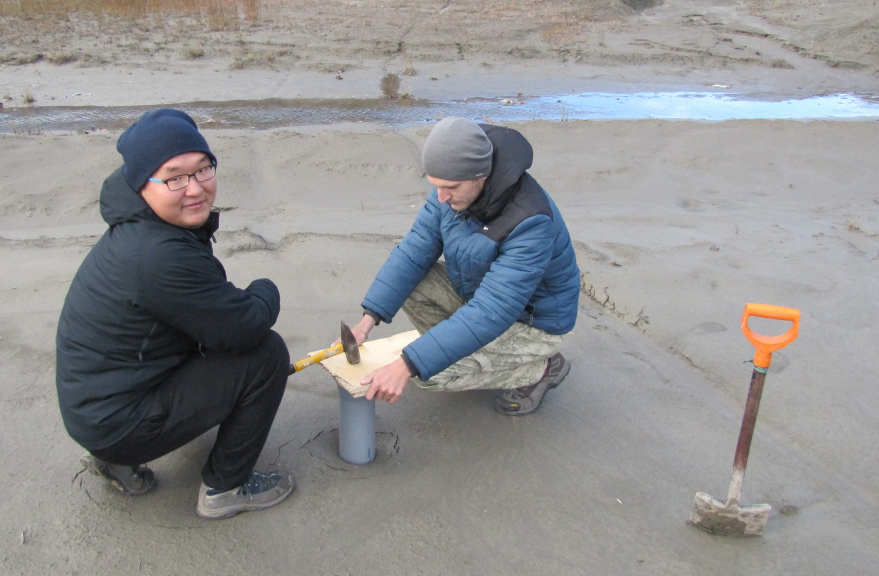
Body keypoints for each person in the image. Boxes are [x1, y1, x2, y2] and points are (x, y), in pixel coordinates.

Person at [56, 109, 294, 520]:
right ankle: (226, 487)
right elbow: (244, 327)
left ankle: (114, 458)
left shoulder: (139, 227)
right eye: (174, 177)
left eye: (203, 169)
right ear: (141, 184)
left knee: (208, 334)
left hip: (94, 410)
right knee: (266, 355)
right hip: (116, 422)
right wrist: (265, 290)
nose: (195, 188)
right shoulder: (155, 254)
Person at [348, 117, 580, 415]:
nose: (441, 197)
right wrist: (366, 323)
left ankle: (544, 366)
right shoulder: (451, 186)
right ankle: (475, 352)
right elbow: (413, 251)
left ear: (479, 175)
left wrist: (407, 365)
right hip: (483, 296)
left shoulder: (530, 220)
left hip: (533, 322)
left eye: (450, 188)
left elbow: (492, 310)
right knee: (412, 284)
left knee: (429, 376)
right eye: (436, 186)